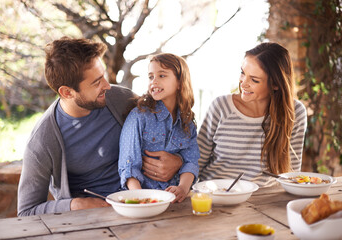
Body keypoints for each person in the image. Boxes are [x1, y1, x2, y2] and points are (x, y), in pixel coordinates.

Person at [17, 37, 182, 216]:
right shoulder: (42, 140)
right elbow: (26, 211)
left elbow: (174, 128)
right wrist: (74, 205)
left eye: (103, 75)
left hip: (145, 205)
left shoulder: (122, 100)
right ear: (67, 92)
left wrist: (178, 161)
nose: (107, 85)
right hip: (91, 219)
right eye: (96, 82)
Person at [197, 42, 307, 187]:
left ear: (275, 84)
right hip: (215, 194)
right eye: (243, 73)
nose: (243, 83)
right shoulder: (221, 107)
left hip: (262, 201)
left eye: (254, 80)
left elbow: (291, 175)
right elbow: (196, 162)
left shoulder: (294, 113)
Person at [118, 53, 199, 202]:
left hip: (176, 200)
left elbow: (191, 162)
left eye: (162, 76)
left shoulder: (187, 122)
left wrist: (182, 188)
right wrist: (142, 199)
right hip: (144, 198)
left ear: (180, 82)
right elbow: (128, 167)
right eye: (150, 77)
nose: (154, 81)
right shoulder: (139, 116)